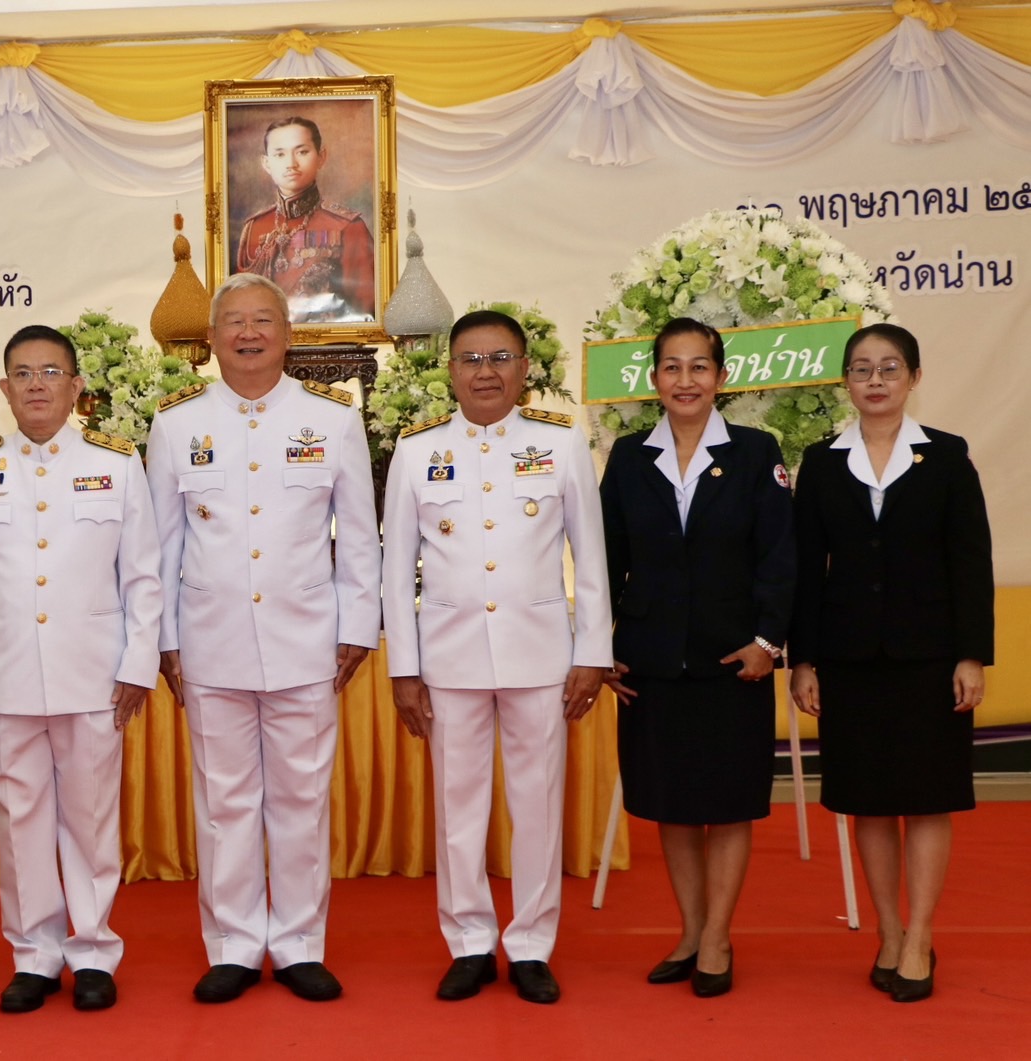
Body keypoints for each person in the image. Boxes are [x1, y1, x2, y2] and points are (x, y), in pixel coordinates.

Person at [145, 273, 381, 1003]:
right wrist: (165, 641)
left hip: (306, 641)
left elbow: (359, 539)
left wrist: (356, 626)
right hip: (209, 644)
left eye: (262, 320)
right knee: (224, 801)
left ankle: (301, 942)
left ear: (286, 333)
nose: (248, 333)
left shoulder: (332, 420)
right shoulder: (176, 425)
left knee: (301, 797)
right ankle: (235, 944)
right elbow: (159, 543)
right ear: (212, 338)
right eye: (233, 322)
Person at [0, 325, 161, 1014]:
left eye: (50, 371)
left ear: (74, 385)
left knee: (90, 817)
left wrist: (137, 664)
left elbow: (142, 575)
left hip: (94, 675)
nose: (36, 384)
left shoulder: (116, 464)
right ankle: (33, 954)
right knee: (19, 816)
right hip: (2, 681)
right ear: (4, 388)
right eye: (22, 373)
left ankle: (91, 949)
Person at [381, 309, 610, 1005]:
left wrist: (592, 650)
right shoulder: (416, 451)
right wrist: (402, 666)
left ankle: (532, 942)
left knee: (537, 804)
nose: (485, 371)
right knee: (457, 806)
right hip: (447, 660)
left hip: (540, 655)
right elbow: (395, 568)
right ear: (449, 370)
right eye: (471, 358)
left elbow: (590, 557)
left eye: (500, 358)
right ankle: (470, 940)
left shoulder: (561, 444)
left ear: (524, 369)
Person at [789, 322, 993, 1004]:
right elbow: (804, 573)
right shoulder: (820, 462)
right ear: (844, 381)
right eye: (860, 369)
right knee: (867, 802)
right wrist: (804, 659)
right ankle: (887, 928)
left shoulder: (945, 457)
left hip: (929, 658)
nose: (874, 380)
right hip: (847, 661)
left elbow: (969, 561)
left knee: (928, 800)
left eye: (888, 368)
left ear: (912, 378)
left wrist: (970, 653)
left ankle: (919, 935)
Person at [598, 317, 796, 998]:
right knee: (673, 806)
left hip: (732, 660)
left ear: (721, 377)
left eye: (699, 367)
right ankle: (690, 930)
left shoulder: (752, 451)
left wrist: (768, 641)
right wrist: (602, 649)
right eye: (672, 367)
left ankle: (717, 936)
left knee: (729, 804)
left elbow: (780, 555)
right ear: (653, 378)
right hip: (651, 663)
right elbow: (604, 560)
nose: (685, 380)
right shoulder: (627, 456)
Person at [234, 115, 375, 323]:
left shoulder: (347, 226)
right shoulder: (254, 227)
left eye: (302, 152)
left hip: (331, 348)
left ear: (321, 156)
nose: (291, 164)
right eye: (280, 154)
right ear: (266, 163)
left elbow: (366, 310)